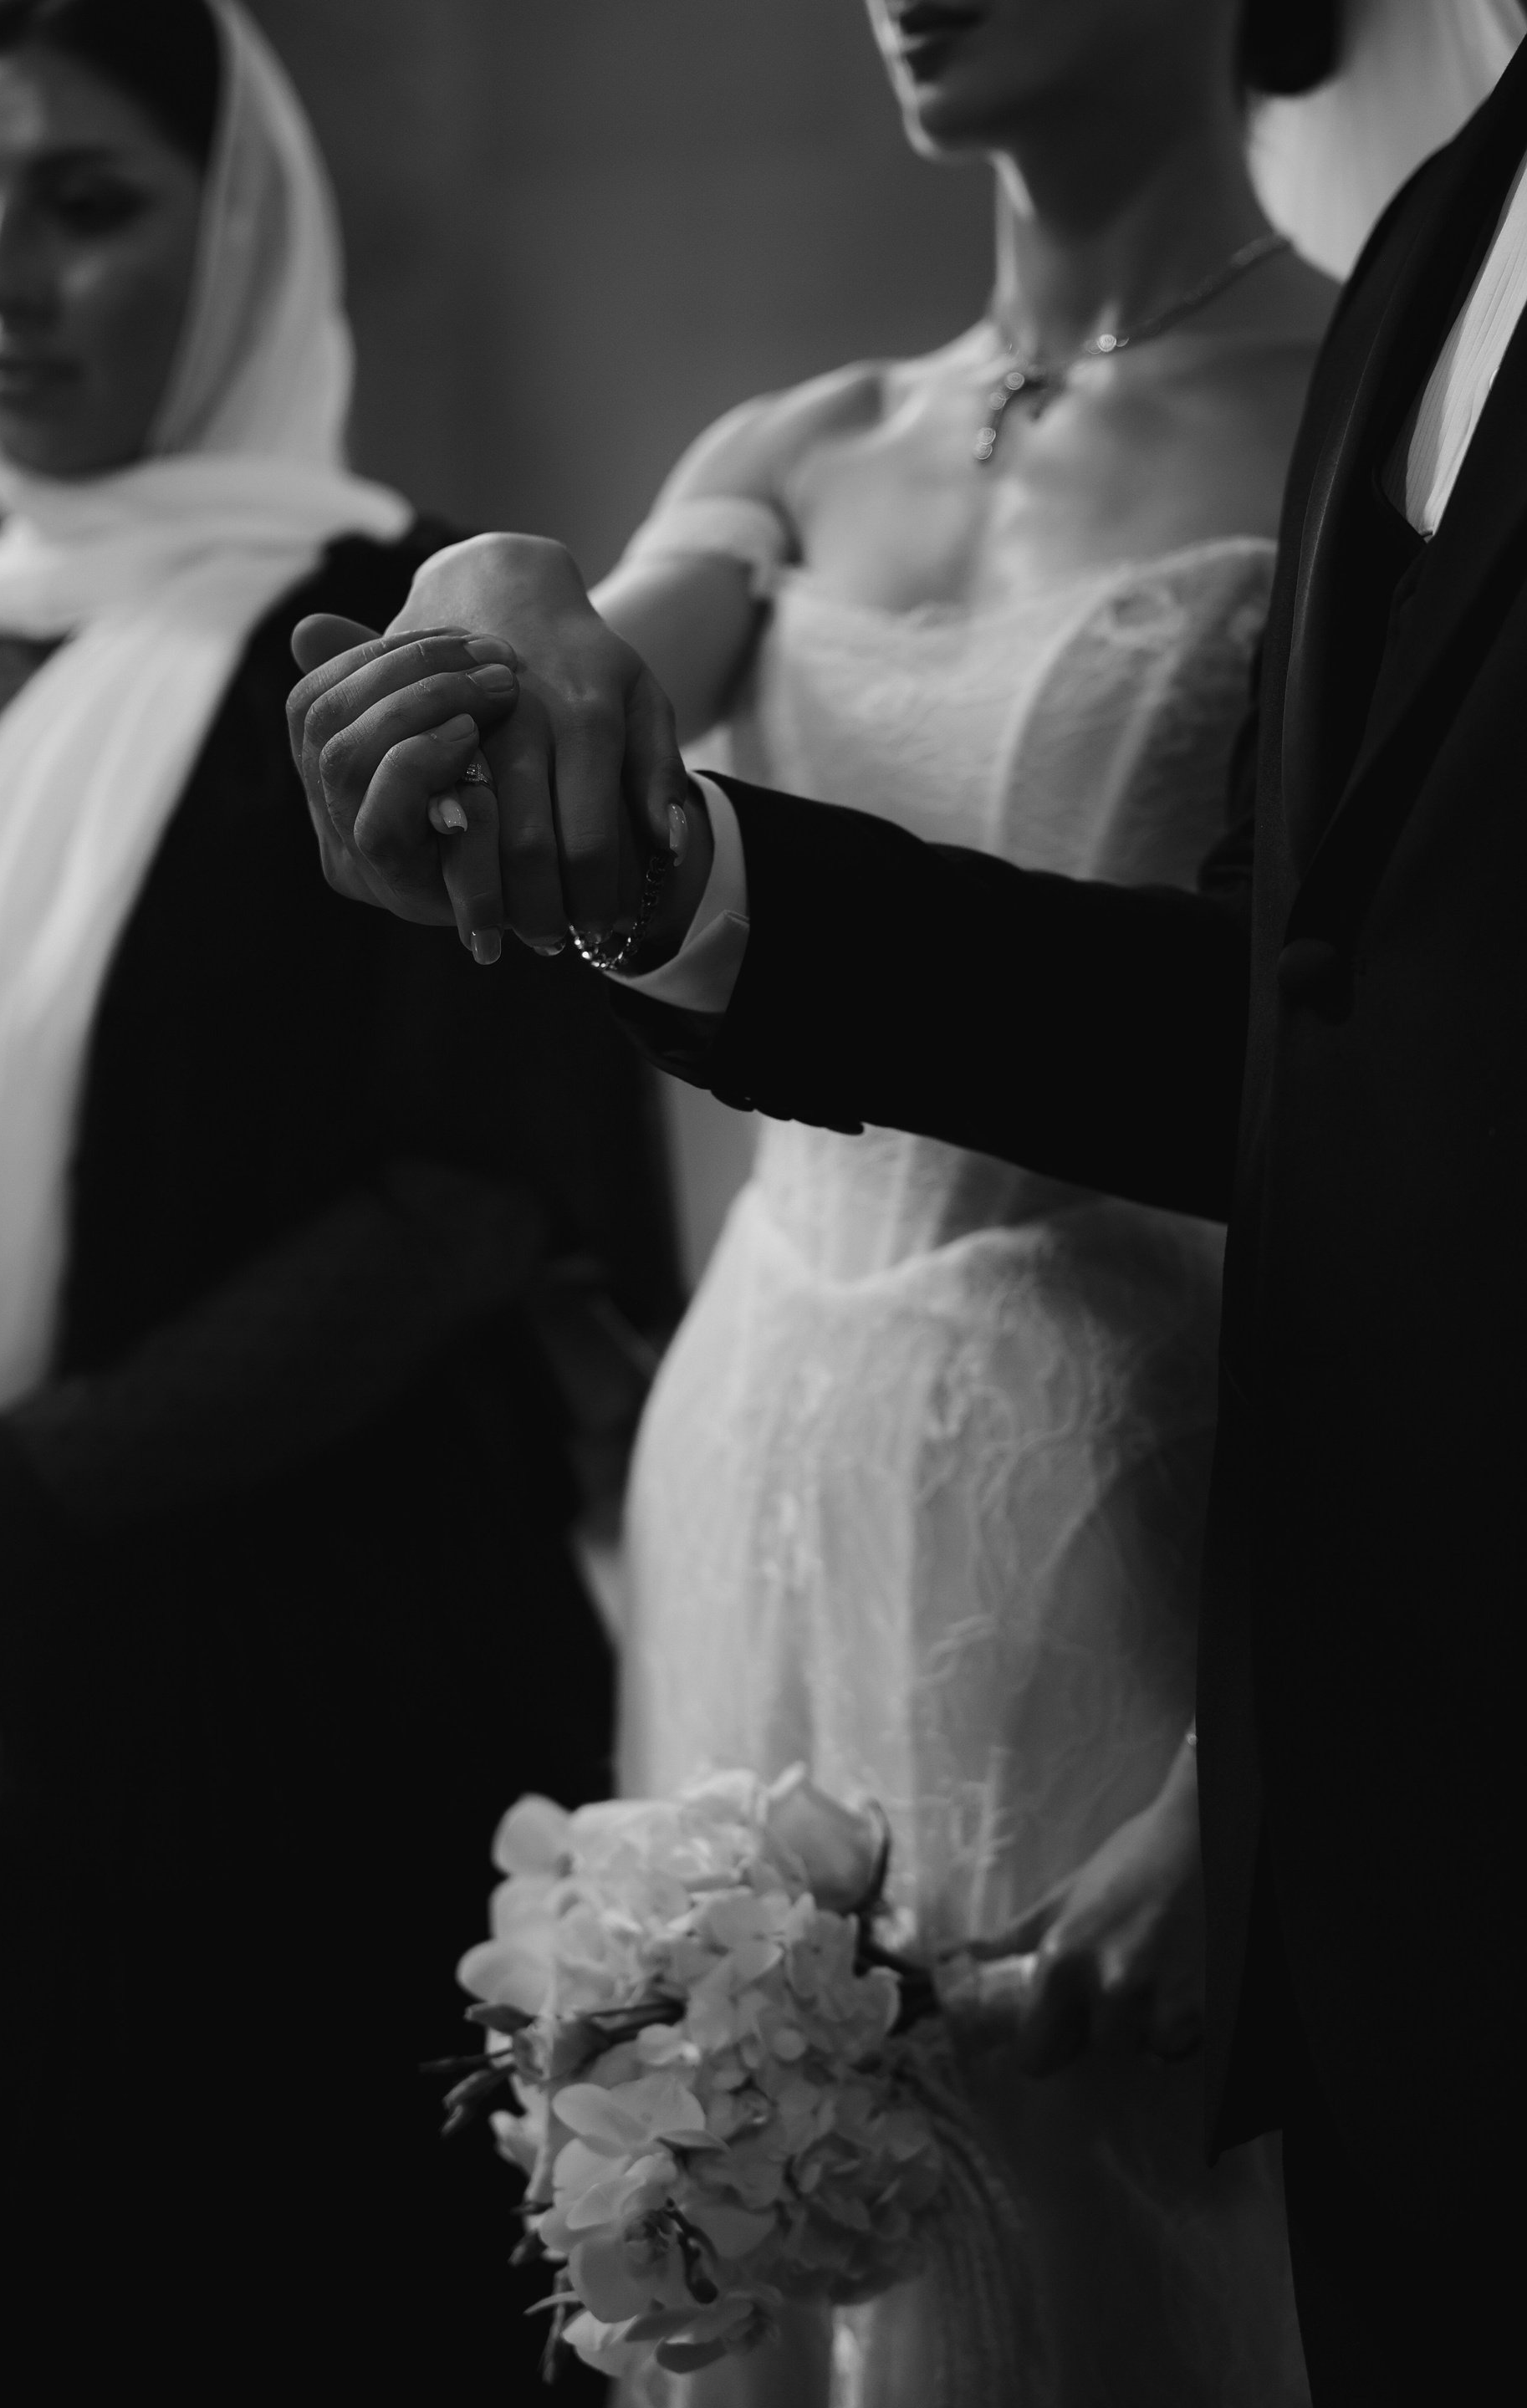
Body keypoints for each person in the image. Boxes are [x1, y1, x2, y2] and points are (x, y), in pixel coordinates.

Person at [289, 3, 1525, 2400]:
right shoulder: (798, 447)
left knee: (1110, 2232)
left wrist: (1249, 1761)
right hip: (767, 1426)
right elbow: (590, 708)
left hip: (1123, 1474)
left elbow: (1367, 1068)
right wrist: (489, 594)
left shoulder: (1360, 387)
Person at [0, 2, 675, 2396]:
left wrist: (17, 1491)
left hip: (321, 1701)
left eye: (86, 205)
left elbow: (472, 1182)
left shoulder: (382, 636)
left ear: (242, 239)